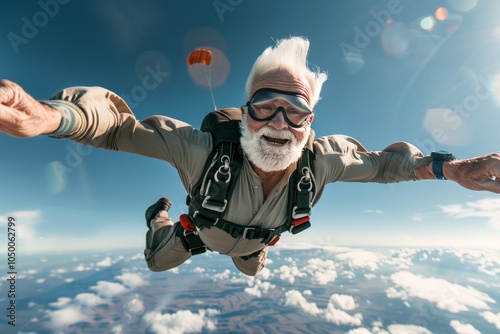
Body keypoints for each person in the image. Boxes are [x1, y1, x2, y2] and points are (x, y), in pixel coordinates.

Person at [0, 37, 499, 276]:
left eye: (295, 111)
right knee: (156, 262)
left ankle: (247, 253)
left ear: (310, 125)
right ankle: (161, 219)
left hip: (248, 245)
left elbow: (389, 164)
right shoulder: (201, 152)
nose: (279, 124)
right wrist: (51, 117)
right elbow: (121, 127)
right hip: (199, 233)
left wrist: (450, 168)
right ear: (244, 117)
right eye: (265, 107)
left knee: (251, 269)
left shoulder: (322, 161)